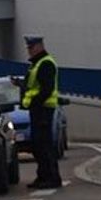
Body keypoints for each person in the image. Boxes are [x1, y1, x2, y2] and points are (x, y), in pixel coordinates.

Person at [20, 34, 62, 189]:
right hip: (38, 109)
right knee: (38, 145)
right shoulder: (36, 64)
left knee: (44, 145)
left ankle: (52, 178)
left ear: (39, 47)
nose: (29, 50)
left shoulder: (45, 63)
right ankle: (43, 176)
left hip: (43, 109)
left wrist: (34, 102)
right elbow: (33, 85)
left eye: (31, 47)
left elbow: (46, 89)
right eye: (28, 48)